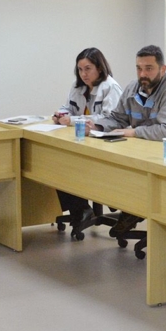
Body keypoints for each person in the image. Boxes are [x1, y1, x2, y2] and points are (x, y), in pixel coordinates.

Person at [96, 45, 166, 236]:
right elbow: (118, 118)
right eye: (139, 68)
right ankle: (131, 206)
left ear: (163, 69)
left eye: (149, 68)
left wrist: (133, 132)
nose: (143, 74)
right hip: (144, 150)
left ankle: (135, 208)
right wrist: (98, 126)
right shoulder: (133, 88)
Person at [53, 48, 124, 235]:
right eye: (80, 69)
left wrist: (74, 120)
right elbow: (67, 107)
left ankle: (81, 209)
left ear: (99, 68)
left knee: (70, 165)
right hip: (81, 140)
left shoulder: (110, 87)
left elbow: (110, 119)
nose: (83, 74)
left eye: (88, 68)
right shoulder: (77, 87)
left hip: (105, 142)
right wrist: (61, 115)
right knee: (55, 162)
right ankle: (80, 209)